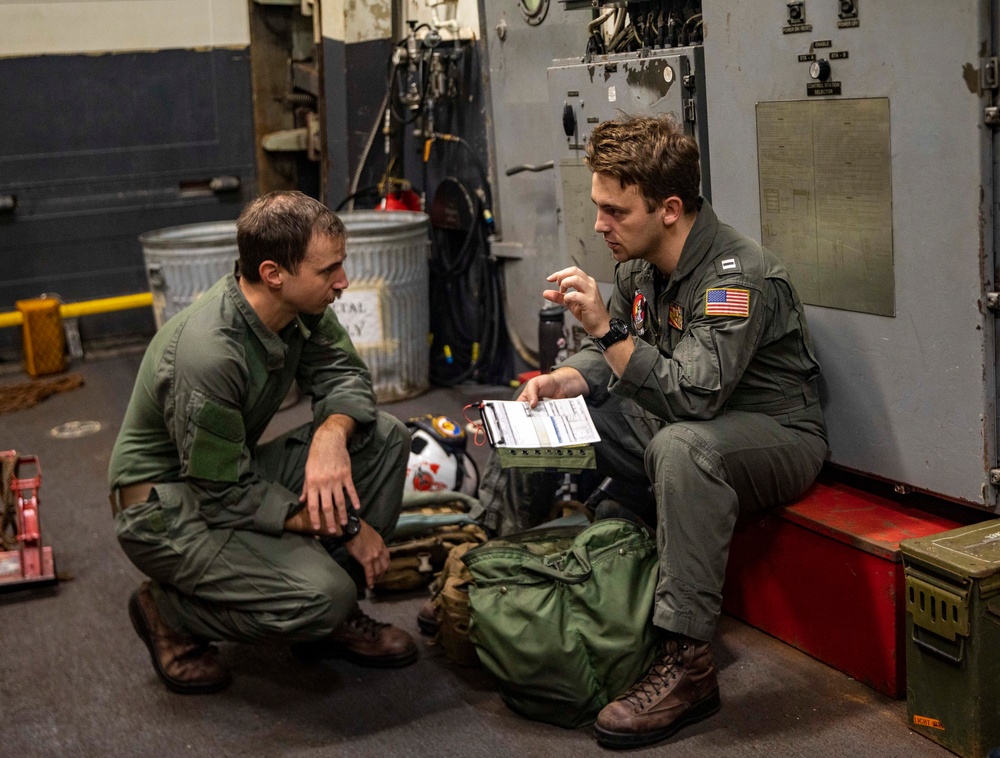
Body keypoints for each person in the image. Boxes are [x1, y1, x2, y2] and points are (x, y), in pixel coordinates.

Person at [472, 115, 828, 748]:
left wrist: (604, 333)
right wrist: (564, 379)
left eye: (615, 211)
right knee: (535, 410)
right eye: (597, 208)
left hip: (772, 433)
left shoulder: (735, 277)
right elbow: (627, 357)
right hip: (684, 422)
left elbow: (692, 395)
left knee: (681, 446)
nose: (599, 225)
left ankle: (688, 664)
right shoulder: (639, 262)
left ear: (669, 208)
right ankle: (503, 576)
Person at [108, 191, 416, 695]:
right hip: (164, 510)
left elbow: (344, 375)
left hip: (226, 477)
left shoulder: (300, 304)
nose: (343, 281)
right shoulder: (210, 354)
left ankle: (323, 620)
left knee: (382, 437)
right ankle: (171, 613)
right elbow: (221, 493)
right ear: (274, 273)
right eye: (329, 271)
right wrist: (347, 527)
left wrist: (330, 435)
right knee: (323, 595)